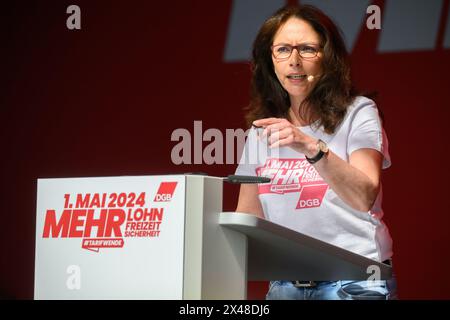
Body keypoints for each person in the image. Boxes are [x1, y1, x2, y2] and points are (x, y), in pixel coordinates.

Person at [235, 5, 398, 300]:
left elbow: (364, 196)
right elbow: (248, 219)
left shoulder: (358, 112)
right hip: (285, 287)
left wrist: (310, 146)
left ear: (328, 57)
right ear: (270, 59)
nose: (294, 61)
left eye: (307, 49)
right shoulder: (262, 131)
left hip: (353, 283)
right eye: (283, 49)